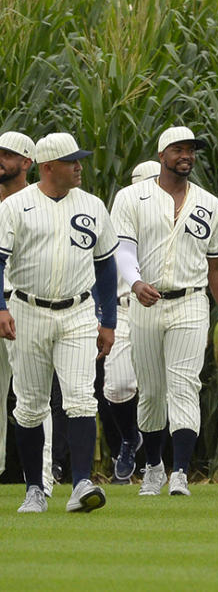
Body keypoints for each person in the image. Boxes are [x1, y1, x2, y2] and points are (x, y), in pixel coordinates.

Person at [111, 126, 218, 497]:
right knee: (150, 390)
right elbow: (123, 250)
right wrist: (135, 282)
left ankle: (180, 472)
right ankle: (153, 466)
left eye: (191, 150)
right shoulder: (132, 197)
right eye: (178, 149)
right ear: (162, 154)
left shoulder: (209, 204)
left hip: (191, 302)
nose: (186, 155)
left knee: (184, 385)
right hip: (145, 302)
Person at [0, 132, 119, 513]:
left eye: (79, 159)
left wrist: (109, 321)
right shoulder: (16, 206)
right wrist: (0, 308)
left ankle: (81, 482)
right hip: (27, 309)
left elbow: (105, 265)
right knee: (31, 405)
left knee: (82, 397)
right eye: (72, 161)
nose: (79, 166)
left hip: (78, 311)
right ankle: (35, 487)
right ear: (49, 167)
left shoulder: (93, 205)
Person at [0, 132, 55, 495]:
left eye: (8, 154)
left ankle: (44, 475)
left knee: (32, 394)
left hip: (23, 306)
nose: (0, 159)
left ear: (27, 162)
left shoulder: (39, 202)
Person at [104, 160, 161, 484]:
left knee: (159, 391)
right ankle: (129, 438)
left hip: (164, 308)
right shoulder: (115, 223)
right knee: (118, 386)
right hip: (124, 309)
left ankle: (158, 464)